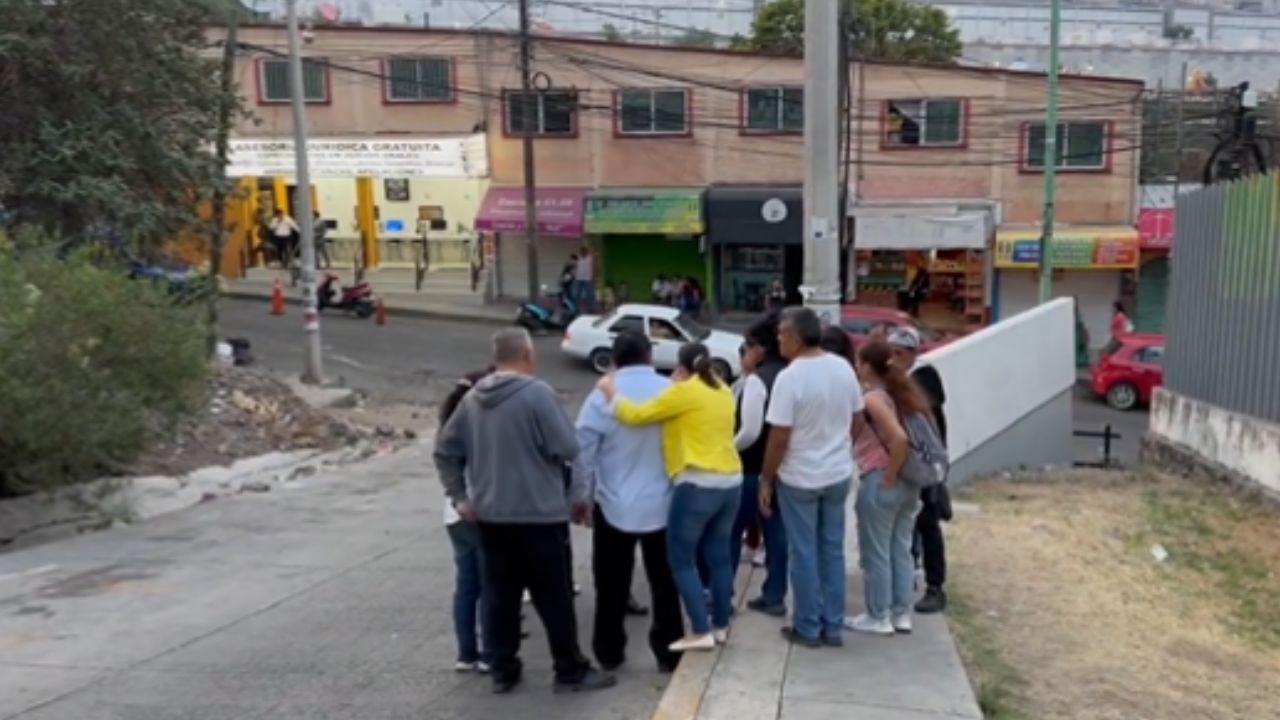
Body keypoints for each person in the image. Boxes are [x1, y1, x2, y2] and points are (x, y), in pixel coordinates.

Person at [434, 328, 614, 694]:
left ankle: (503, 669)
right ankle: (569, 669)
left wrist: (460, 497)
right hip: (539, 515)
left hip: (490, 516)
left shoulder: (471, 400)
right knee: (554, 597)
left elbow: (444, 451)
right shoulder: (537, 395)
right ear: (528, 356)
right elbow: (566, 446)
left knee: (500, 596)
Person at [597, 343, 741, 652]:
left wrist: (610, 391)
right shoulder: (723, 390)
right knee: (719, 557)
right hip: (731, 482)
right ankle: (720, 625)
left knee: (680, 559)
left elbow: (636, 415)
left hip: (696, 482)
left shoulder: (684, 391)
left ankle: (700, 629)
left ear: (682, 366)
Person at [574, 331, 683, 673]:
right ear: (650, 355)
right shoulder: (671, 391)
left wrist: (580, 498)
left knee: (610, 584)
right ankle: (668, 652)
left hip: (612, 504)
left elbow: (583, 452)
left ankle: (609, 652)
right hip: (663, 504)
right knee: (664, 584)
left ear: (615, 358)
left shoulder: (601, 396)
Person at [759, 307, 864, 648]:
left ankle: (807, 625)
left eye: (781, 335)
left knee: (803, 552)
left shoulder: (790, 378)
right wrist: (840, 446)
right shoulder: (843, 367)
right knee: (831, 550)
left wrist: (766, 479)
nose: (778, 340)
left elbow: (779, 437)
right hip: (836, 473)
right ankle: (832, 626)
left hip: (800, 476)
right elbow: (857, 419)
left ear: (796, 338)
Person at [845, 340, 931, 636]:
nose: (856, 368)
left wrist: (889, 475)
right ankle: (900, 612)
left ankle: (877, 614)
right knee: (900, 549)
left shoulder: (873, 400)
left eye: (859, 362)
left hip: (882, 477)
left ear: (868, 366)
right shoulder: (902, 396)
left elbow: (899, 439)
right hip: (910, 484)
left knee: (877, 552)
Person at [886, 327, 951, 614]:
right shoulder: (898, 379)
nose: (895, 359)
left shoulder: (923, 377)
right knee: (905, 523)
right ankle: (907, 572)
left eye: (900, 353)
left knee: (927, 522)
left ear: (913, 353)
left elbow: (921, 406)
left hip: (925, 461)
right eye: (892, 353)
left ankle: (935, 585)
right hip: (905, 460)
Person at [439, 368, 495, 674]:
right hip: (481, 511)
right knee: (489, 585)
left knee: (466, 586)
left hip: (453, 515)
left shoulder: (448, 424)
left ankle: (466, 653)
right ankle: (488, 652)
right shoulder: (476, 424)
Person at [733, 315, 790, 618]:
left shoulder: (758, 380)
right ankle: (775, 594)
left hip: (750, 468)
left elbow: (750, 431)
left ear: (757, 348)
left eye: (746, 346)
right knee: (776, 534)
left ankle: (721, 595)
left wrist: (726, 449)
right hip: (782, 468)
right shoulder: (789, 373)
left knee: (731, 532)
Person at [575, 247, 596, 312]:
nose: (582, 253)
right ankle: (577, 308)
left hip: (587, 279)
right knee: (578, 294)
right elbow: (577, 267)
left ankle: (591, 308)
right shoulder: (579, 258)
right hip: (579, 278)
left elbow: (593, 267)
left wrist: (593, 277)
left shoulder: (590, 258)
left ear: (586, 252)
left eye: (583, 251)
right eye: (581, 251)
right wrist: (576, 276)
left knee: (590, 294)